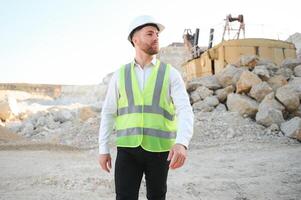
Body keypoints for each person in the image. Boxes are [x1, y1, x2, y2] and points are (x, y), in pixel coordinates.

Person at [98, 15, 194, 200]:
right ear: (135, 40)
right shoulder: (120, 75)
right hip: (127, 150)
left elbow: (185, 110)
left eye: (157, 34)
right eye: (150, 33)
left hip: (159, 151)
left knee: (157, 197)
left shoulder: (170, 74)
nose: (156, 37)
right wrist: (103, 149)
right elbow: (108, 113)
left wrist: (182, 143)